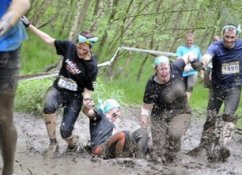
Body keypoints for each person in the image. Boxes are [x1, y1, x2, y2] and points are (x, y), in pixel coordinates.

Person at [21, 16, 99, 152]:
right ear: (76, 44)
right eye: (79, 48)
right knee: (49, 106)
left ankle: (73, 143)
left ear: (90, 49)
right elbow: (48, 40)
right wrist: (29, 26)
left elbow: (88, 88)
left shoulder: (92, 66)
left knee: (65, 131)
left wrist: (87, 99)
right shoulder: (69, 47)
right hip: (58, 89)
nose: (80, 52)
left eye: (84, 50)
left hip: (75, 96)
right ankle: (53, 143)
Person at [193, 24, 242, 162]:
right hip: (217, 87)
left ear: (236, 37)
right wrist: (201, 64)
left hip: (234, 87)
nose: (229, 40)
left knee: (228, 116)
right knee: (211, 117)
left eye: (232, 37)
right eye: (227, 37)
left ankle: (222, 146)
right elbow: (207, 56)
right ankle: (204, 146)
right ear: (223, 35)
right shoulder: (216, 46)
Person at [139, 52, 203, 163]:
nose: (164, 72)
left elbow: (188, 55)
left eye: (166, 69)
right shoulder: (151, 84)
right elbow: (146, 105)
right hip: (159, 114)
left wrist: (193, 61)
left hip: (181, 111)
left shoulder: (176, 67)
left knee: (174, 134)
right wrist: (144, 116)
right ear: (156, 70)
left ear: (170, 66)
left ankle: (174, 160)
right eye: (161, 69)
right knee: (158, 148)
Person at [0, 0, 30, 174]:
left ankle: (8, 169)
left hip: (6, 47)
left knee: (3, 116)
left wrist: (4, 24)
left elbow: (22, 3)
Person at [82, 98, 149, 159]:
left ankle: (140, 159)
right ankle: (119, 161)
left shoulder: (112, 125)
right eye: (117, 110)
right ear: (110, 110)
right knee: (124, 134)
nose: (119, 114)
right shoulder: (100, 115)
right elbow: (89, 113)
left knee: (142, 132)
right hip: (99, 149)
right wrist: (87, 107)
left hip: (110, 149)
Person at [176, 32, 202, 100]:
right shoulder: (181, 48)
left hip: (193, 71)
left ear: (193, 40)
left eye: (190, 40)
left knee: (189, 87)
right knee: (182, 88)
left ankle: (186, 103)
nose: (189, 42)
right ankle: (180, 103)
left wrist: (201, 71)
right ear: (185, 40)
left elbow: (200, 60)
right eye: (188, 40)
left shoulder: (197, 48)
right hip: (183, 71)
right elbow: (178, 59)